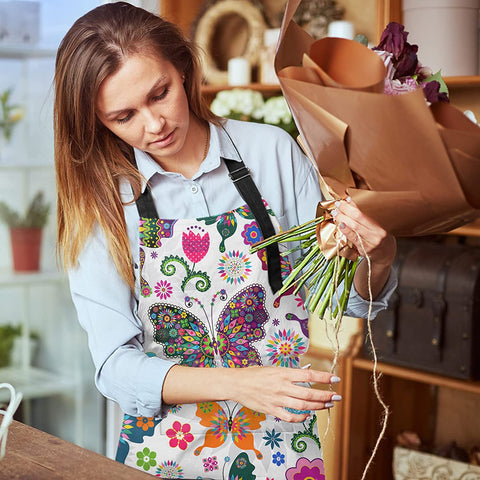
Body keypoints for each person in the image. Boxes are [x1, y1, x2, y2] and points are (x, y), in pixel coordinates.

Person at [54, 3, 397, 478]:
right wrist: (239, 384)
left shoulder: (272, 152)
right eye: (123, 116)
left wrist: (378, 257)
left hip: (280, 446)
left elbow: (343, 302)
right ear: (97, 121)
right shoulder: (103, 206)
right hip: (162, 454)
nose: (154, 125)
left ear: (184, 68)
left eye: (160, 93)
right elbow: (114, 367)